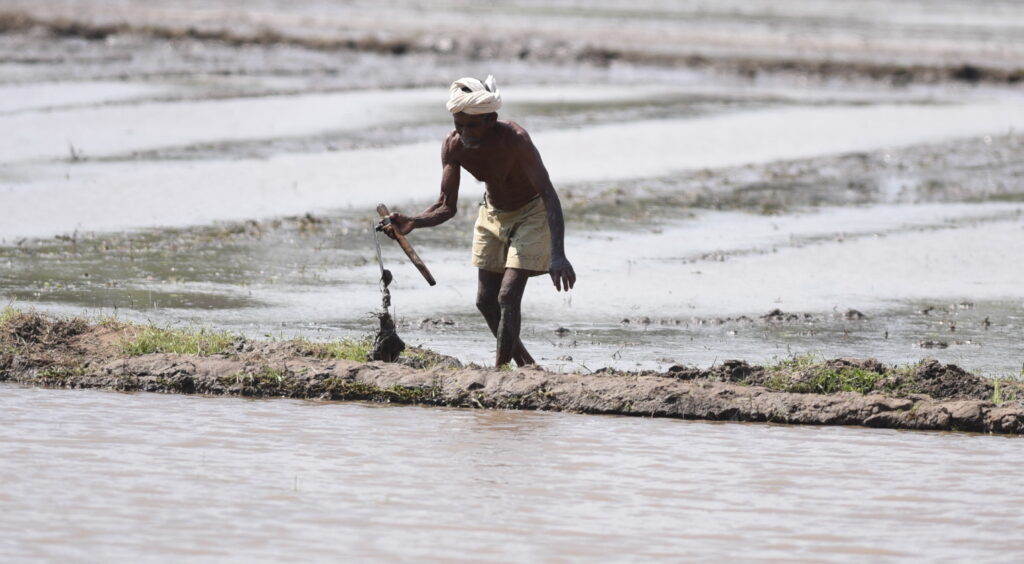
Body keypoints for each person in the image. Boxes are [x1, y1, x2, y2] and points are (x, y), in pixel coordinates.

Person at [381, 75, 576, 368]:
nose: (464, 132)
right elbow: (447, 206)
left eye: (472, 125)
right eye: (458, 125)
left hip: (531, 213)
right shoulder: (453, 146)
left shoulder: (516, 140)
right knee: (485, 301)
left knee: (508, 295)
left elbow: (549, 194)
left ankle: (499, 371)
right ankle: (526, 366)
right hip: (492, 213)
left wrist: (558, 255)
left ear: (491, 119)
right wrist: (413, 221)